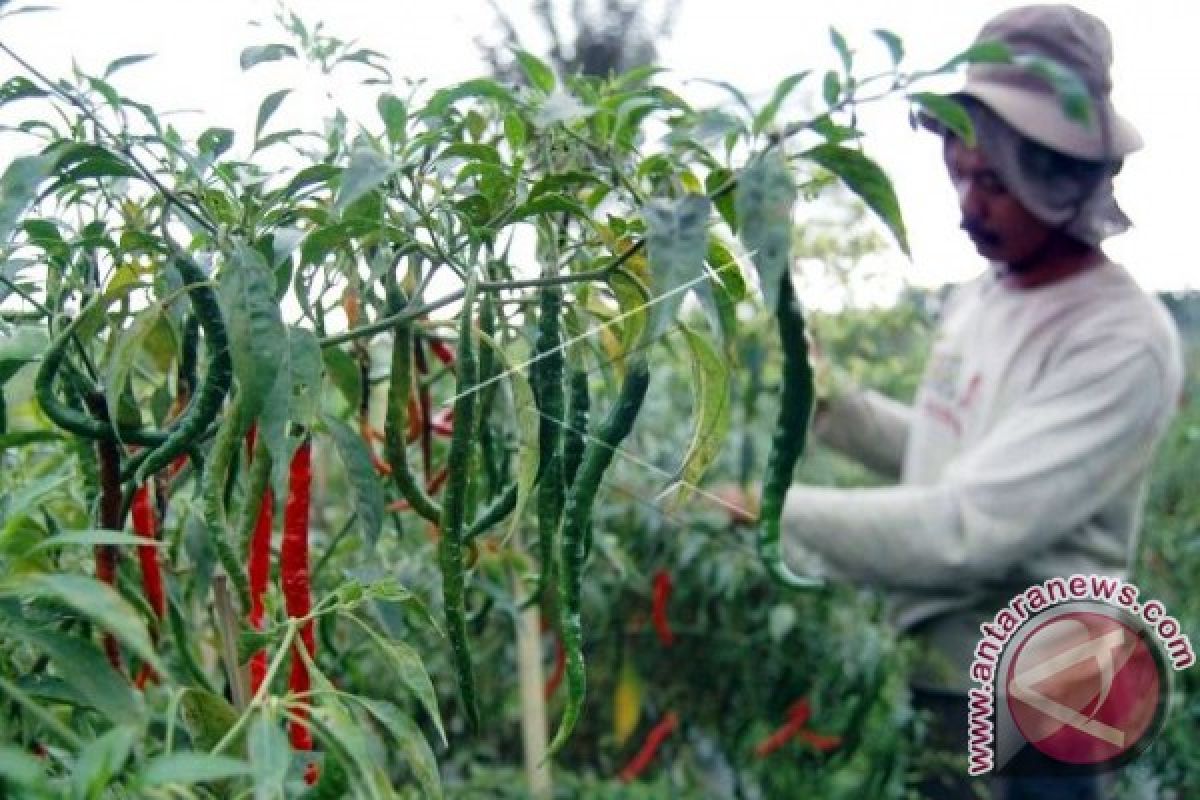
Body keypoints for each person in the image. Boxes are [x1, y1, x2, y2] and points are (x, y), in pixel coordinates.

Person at [723, 5, 1184, 799]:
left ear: (1060, 177)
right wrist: (834, 405)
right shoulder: (986, 292)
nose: (969, 205)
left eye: (995, 184)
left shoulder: (1120, 339)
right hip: (946, 671)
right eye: (960, 171)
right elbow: (953, 449)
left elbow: (968, 528)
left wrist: (769, 512)